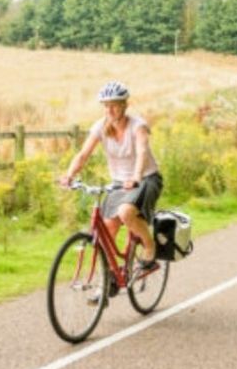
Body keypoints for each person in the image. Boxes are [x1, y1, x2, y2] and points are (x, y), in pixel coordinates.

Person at [60, 81, 163, 299]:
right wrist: (70, 175)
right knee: (106, 233)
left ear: (125, 105)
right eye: (106, 106)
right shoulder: (100, 127)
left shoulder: (138, 126)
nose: (110, 110)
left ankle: (149, 246)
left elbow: (142, 152)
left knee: (126, 212)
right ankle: (109, 279)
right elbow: (83, 154)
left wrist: (136, 177)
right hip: (118, 183)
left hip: (145, 178)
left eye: (114, 105)